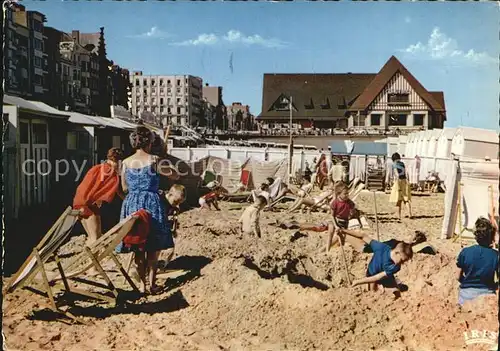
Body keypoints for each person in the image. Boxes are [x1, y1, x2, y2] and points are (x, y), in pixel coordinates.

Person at [115, 126, 180, 294]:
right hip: (151, 203)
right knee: (153, 245)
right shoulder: (154, 160)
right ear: (149, 142)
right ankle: (151, 284)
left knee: (138, 245)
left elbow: (123, 187)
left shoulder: (125, 163)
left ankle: (141, 285)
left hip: (131, 204)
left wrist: (131, 199)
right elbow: (175, 176)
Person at [337, 228, 415, 298]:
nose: (402, 263)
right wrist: (344, 231)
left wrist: (357, 282)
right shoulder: (381, 247)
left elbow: (378, 277)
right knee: (372, 294)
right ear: (397, 253)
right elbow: (363, 236)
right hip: (372, 274)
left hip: (384, 276)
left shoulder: (395, 267)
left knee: (397, 294)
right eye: (402, 260)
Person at [73, 147, 125, 245]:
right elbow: (118, 191)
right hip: (89, 207)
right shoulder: (111, 173)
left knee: (92, 238)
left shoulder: (97, 168)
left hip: (79, 204)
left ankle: (90, 259)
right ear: (118, 161)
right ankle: (93, 260)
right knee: (95, 240)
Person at [456, 217, 498, 306]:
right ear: (492, 236)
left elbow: (458, 277)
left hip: (466, 295)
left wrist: (467, 281)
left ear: (476, 235)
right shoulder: (496, 255)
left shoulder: (465, 252)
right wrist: (493, 285)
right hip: (487, 295)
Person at [326, 182, 360, 251]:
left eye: (347, 193)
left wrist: (354, 215)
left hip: (344, 222)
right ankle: (327, 250)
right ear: (339, 194)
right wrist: (336, 226)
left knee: (342, 237)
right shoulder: (335, 202)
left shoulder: (349, 202)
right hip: (335, 220)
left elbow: (355, 213)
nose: (347, 195)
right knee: (331, 232)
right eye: (345, 194)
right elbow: (332, 216)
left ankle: (341, 250)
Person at [389, 153, 412, 221]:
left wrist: (397, 182)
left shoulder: (394, 164)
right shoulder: (402, 164)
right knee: (406, 199)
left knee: (398, 199)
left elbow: (396, 174)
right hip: (405, 181)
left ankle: (399, 216)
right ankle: (410, 213)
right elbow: (405, 173)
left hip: (399, 181)